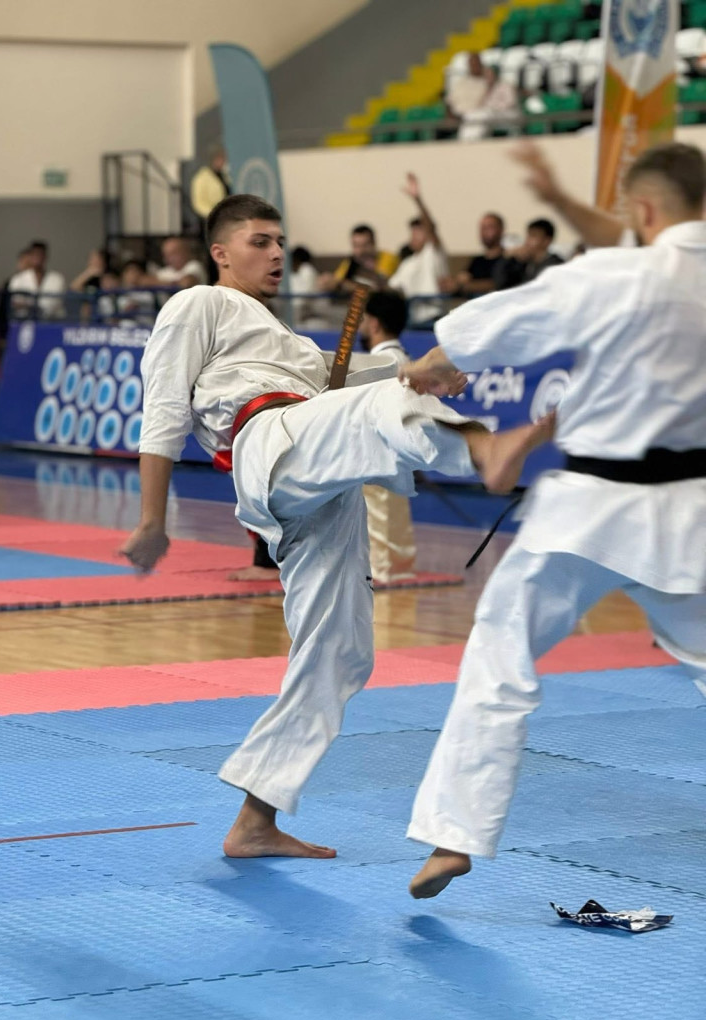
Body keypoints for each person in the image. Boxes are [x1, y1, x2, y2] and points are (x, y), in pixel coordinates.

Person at [121, 193, 552, 860]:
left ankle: (255, 819)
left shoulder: (285, 340)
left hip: (316, 471)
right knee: (383, 404)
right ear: (220, 252)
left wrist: (422, 371)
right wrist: (153, 518)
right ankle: (479, 448)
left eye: (278, 241)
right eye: (260, 241)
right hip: (269, 441)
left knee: (340, 650)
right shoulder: (197, 304)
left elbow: (347, 378)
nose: (275, 253)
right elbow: (164, 409)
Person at [398, 142, 706, 899]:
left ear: (643, 209)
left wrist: (436, 360)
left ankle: (453, 836)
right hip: (692, 512)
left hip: (589, 511)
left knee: (500, 654)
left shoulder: (617, 274)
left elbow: (497, 324)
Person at [359, 290, 417, 582]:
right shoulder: (401, 356)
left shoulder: (380, 360)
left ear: (374, 323)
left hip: (379, 446)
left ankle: (382, 566)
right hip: (398, 448)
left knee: (380, 507)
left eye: (364, 319)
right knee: (393, 506)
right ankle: (396, 563)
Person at [388, 174, 449, 328]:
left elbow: (431, 228)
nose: (414, 236)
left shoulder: (433, 253)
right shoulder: (407, 263)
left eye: (419, 232)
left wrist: (417, 200)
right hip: (412, 321)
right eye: (412, 232)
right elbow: (393, 287)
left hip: (434, 320)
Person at [319, 225, 399, 295]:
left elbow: (379, 288)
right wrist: (328, 282)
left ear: (374, 243)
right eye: (356, 246)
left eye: (364, 245)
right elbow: (337, 280)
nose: (360, 251)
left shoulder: (387, 258)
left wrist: (347, 285)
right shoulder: (351, 262)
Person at [446, 213, 507, 298]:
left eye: (490, 227)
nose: (485, 232)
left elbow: (498, 284)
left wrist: (466, 286)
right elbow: (462, 278)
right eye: (482, 228)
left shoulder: (508, 260)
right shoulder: (477, 261)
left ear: (501, 230)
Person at [496, 218, 564, 289]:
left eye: (533, 236)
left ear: (547, 241)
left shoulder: (555, 265)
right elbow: (500, 283)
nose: (527, 241)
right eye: (528, 235)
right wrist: (507, 258)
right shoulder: (523, 263)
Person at [8, 240, 66, 319]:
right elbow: (15, 302)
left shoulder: (57, 279)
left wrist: (36, 307)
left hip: (52, 321)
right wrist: (32, 307)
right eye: (34, 254)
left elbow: (57, 302)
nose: (37, 258)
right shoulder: (18, 279)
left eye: (40, 254)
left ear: (45, 257)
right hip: (25, 322)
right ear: (30, 256)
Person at [191, 144, 231, 224]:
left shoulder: (224, 176)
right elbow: (198, 203)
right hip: (209, 220)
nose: (223, 161)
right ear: (213, 159)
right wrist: (214, 213)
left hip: (225, 218)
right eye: (221, 158)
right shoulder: (201, 178)